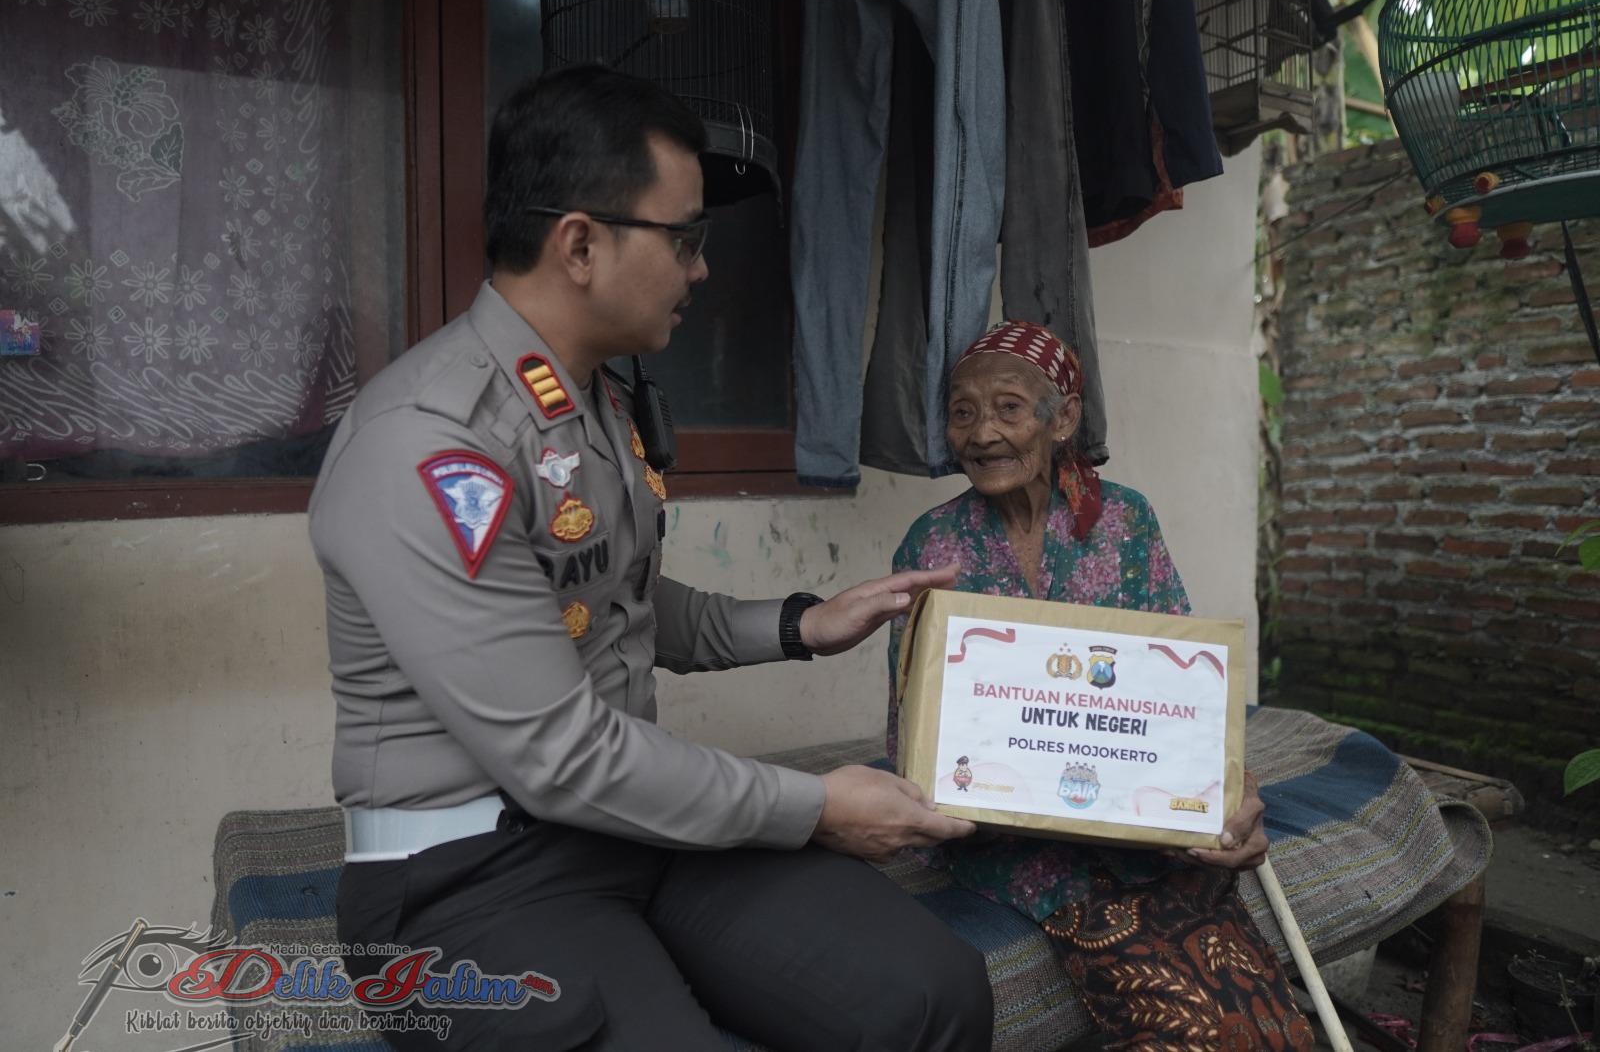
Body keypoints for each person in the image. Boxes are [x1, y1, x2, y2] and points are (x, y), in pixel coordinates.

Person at [309, 65, 992, 1051]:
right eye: (685, 238)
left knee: (932, 993)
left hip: (628, 825)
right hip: (467, 878)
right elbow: (561, 755)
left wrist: (803, 624)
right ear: (580, 245)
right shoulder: (430, 443)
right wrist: (814, 806)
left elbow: (605, 597)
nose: (699, 270)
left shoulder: (586, 400)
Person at [887, 320, 1315, 1049]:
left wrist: (1229, 794)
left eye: (1009, 408)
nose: (982, 433)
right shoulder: (932, 544)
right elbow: (913, 730)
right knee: (1185, 1022)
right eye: (963, 412)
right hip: (1015, 842)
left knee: (1263, 1020)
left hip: (1143, 825)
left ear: (1063, 419)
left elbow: (1183, 696)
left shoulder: (1124, 521)